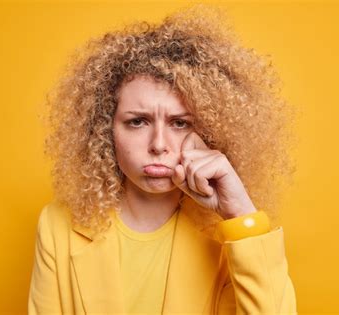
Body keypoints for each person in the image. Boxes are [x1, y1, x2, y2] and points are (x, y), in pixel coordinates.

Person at [28, 4, 298, 315]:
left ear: (208, 133)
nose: (158, 145)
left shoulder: (230, 234)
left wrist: (240, 212)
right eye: (137, 121)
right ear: (105, 130)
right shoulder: (57, 225)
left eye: (180, 123)